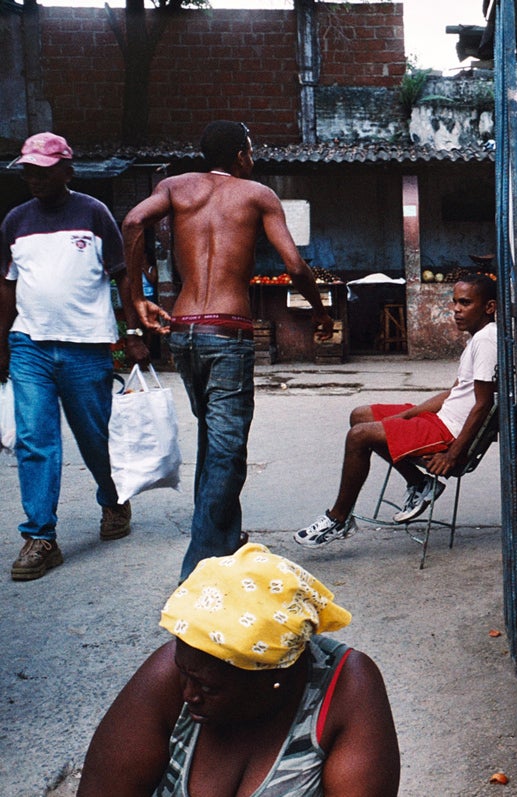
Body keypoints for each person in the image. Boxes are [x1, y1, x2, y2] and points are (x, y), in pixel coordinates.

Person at [122, 120, 334, 579]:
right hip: (228, 331)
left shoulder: (175, 187)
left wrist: (137, 299)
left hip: (184, 331)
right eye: (251, 150)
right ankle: (198, 568)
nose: (253, 158)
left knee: (214, 438)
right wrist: (319, 309)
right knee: (226, 451)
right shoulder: (257, 194)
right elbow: (294, 264)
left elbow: (134, 219)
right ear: (240, 154)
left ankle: (225, 534)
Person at [77, 541, 401, 796]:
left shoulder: (346, 690)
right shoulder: (171, 674)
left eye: (208, 688)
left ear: (277, 674)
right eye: (185, 674)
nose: (188, 694)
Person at [0, 131, 150, 581]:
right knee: (34, 440)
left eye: (43, 171)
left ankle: (114, 500)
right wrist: (2, 343)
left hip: (86, 345)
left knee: (94, 437)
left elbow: (124, 277)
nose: (34, 179)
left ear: (67, 170)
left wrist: (134, 333)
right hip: (30, 345)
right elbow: (6, 285)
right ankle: (40, 536)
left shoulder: (93, 213)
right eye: (28, 170)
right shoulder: (15, 221)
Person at [294, 273, 498, 547]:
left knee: (359, 435)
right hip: (440, 420)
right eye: (454, 302)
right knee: (361, 414)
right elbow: (454, 392)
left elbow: (483, 404)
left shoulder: (487, 341)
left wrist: (453, 454)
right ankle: (420, 483)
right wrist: (406, 415)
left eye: (465, 303)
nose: (456, 310)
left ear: (489, 307)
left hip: (447, 432)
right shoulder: (478, 337)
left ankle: (338, 519)